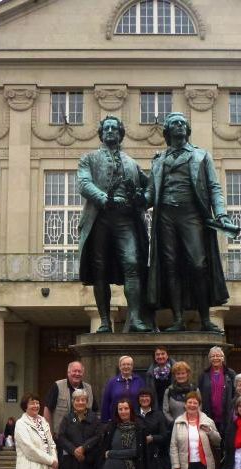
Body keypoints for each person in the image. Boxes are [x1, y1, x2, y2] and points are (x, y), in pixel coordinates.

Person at [144, 111, 240, 333]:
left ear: (187, 130)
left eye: (182, 123)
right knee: (170, 266)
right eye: (174, 124)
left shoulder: (201, 155)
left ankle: (205, 318)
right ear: (167, 132)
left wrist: (221, 214)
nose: (178, 126)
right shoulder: (159, 160)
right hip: (165, 216)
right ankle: (177, 318)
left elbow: (214, 187)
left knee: (198, 265)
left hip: (191, 215)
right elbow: (150, 193)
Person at [77, 116, 150, 333]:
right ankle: (105, 321)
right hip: (100, 219)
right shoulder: (89, 158)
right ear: (101, 133)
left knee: (132, 263)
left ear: (120, 133)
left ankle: (135, 318)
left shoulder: (131, 162)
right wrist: (105, 199)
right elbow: (84, 183)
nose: (110, 131)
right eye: (106, 128)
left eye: (114, 128)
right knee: (100, 270)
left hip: (126, 220)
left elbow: (149, 188)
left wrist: (141, 198)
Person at [43, 361, 95, 435]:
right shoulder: (57, 386)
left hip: (83, 437)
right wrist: (49, 432)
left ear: (83, 373)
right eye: (74, 371)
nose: (77, 374)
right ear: (68, 372)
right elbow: (47, 409)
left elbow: (94, 411)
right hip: (60, 436)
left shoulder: (89, 388)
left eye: (79, 371)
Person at [198, 346, 237, 445]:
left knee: (227, 444)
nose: (215, 358)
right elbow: (199, 395)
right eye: (213, 356)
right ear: (209, 359)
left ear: (223, 358)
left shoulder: (230, 374)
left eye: (218, 356)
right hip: (209, 416)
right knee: (211, 445)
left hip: (227, 416)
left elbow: (235, 394)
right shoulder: (204, 375)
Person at [101, 355, 146, 423]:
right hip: (116, 421)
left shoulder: (139, 381)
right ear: (119, 367)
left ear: (132, 366)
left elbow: (145, 400)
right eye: (123, 364)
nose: (126, 367)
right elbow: (106, 402)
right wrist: (105, 421)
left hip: (136, 420)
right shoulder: (112, 382)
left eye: (128, 364)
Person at [146, 346, 174, 411]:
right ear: (155, 357)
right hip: (157, 405)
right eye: (157, 354)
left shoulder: (175, 369)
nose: (160, 356)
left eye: (163, 354)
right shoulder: (150, 373)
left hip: (172, 405)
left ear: (167, 356)